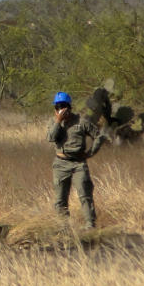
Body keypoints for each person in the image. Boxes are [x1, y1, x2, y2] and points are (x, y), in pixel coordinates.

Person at [47, 91, 108, 229]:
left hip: (78, 163)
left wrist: (90, 153)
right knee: (60, 199)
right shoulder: (53, 122)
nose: (60, 109)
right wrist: (58, 121)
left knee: (85, 194)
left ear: (69, 107)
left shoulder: (81, 122)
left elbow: (99, 136)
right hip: (60, 164)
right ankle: (64, 228)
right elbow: (50, 138)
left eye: (63, 106)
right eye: (57, 107)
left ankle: (90, 225)